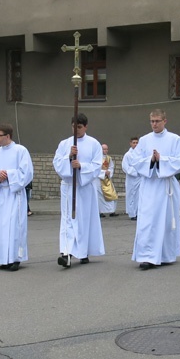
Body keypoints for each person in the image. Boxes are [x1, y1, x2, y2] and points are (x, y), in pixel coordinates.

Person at [129, 108, 180, 270]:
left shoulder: (174, 139)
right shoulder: (145, 140)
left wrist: (162, 159)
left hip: (167, 187)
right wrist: (151, 160)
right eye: (152, 121)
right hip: (149, 186)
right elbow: (135, 160)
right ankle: (147, 256)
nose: (154, 124)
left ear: (164, 121)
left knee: (166, 222)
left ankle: (165, 255)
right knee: (148, 222)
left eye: (157, 121)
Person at [52, 113, 104, 268]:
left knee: (83, 220)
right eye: (74, 126)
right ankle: (66, 252)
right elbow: (56, 162)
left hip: (84, 188)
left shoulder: (94, 144)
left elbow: (97, 166)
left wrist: (81, 166)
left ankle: (83, 251)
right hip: (68, 187)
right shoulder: (64, 144)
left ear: (86, 127)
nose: (76, 129)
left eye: (79, 127)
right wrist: (68, 158)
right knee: (68, 219)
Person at [0, 124, 34, 271]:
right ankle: (3, 259)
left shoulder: (20, 151)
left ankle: (16, 258)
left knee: (15, 226)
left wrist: (9, 175)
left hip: (14, 194)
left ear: (7, 136)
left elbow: (27, 172)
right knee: (0, 227)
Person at [96, 143, 119, 217]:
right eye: (104, 149)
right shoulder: (97, 158)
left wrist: (109, 172)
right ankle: (100, 212)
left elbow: (111, 166)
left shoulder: (109, 158)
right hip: (99, 180)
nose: (105, 150)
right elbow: (95, 169)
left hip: (107, 179)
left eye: (106, 149)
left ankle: (112, 211)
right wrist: (103, 172)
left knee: (113, 194)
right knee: (100, 196)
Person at [122, 137, 140, 220]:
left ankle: (138, 212)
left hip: (140, 178)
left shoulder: (140, 154)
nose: (135, 144)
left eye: (137, 142)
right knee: (131, 195)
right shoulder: (128, 155)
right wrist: (136, 172)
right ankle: (132, 213)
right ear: (130, 143)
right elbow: (125, 167)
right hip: (132, 179)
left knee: (139, 196)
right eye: (134, 143)